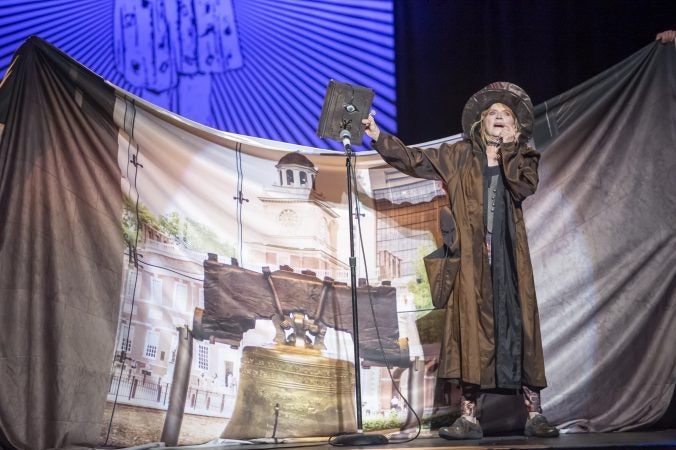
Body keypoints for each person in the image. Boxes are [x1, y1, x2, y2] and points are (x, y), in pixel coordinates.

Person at [362, 82, 558, 440]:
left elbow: (524, 187)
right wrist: (376, 134)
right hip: (470, 260)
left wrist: (507, 151)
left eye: (507, 116)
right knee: (470, 329)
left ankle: (535, 413)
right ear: (480, 123)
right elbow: (415, 161)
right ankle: (469, 417)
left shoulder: (524, 157)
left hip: (509, 257)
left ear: (514, 126)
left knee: (520, 326)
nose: (499, 117)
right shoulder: (457, 155)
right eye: (493, 114)